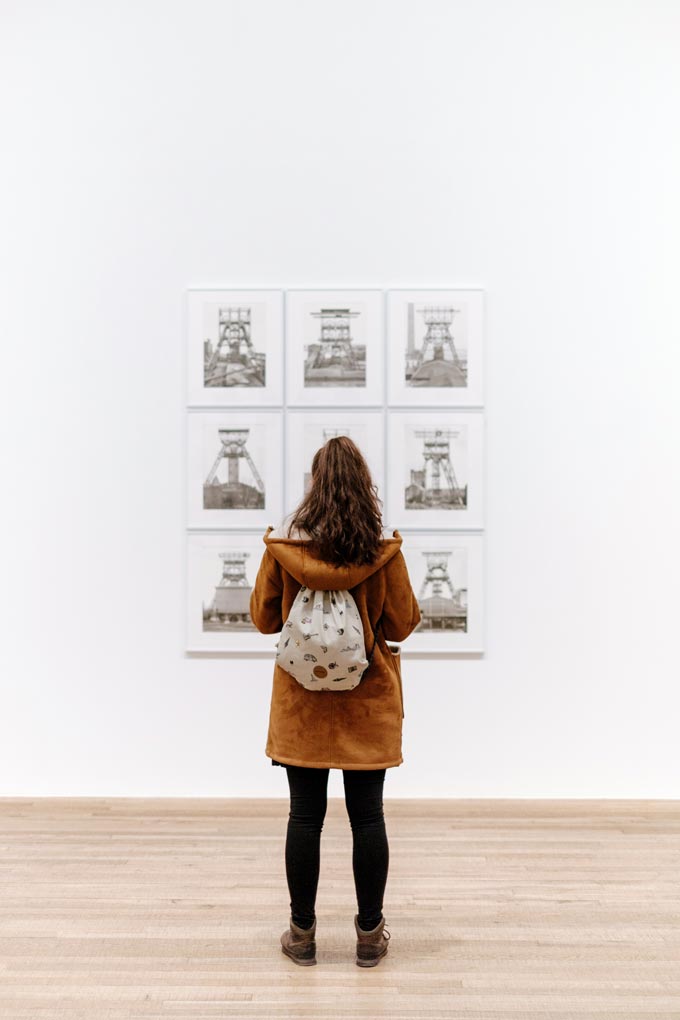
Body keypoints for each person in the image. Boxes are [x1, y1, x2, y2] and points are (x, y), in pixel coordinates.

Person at [249, 435, 421, 968]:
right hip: (367, 703)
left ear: (314, 487)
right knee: (368, 818)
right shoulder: (383, 551)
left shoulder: (285, 549)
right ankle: (369, 935)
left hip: (302, 705)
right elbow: (402, 624)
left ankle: (302, 935)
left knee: (305, 817)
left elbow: (263, 620)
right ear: (362, 487)